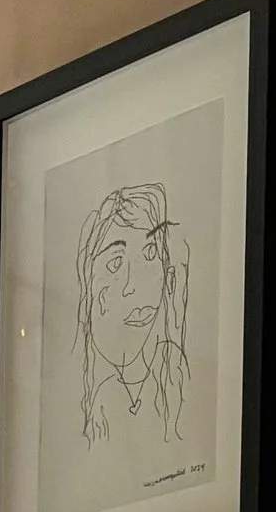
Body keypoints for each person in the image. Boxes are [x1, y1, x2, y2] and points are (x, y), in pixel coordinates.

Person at [74, 182, 193, 468]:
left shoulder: (175, 371)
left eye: (151, 253)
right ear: (90, 284)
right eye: (115, 263)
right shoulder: (90, 395)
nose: (134, 285)